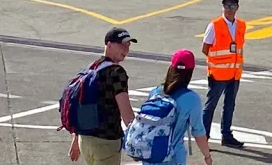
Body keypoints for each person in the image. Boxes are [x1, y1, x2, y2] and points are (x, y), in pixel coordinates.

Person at [68, 28, 138, 165]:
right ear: (109, 45)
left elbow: (83, 105)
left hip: (86, 140)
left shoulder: (92, 68)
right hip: (106, 141)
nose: (126, 49)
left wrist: (76, 140)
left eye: (128, 45)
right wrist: (136, 142)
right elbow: (127, 114)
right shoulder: (117, 72)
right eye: (122, 44)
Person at [140, 50, 214, 165]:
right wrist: (207, 156)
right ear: (190, 72)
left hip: (150, 156)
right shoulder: (192, 99)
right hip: (173, 157)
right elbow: (198, 132)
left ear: (171, 68)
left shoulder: (155, 92)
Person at [201, 0, 246, 148]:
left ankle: (226, 135)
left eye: (232, 6)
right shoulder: (214, 25)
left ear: (237, 7)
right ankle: (204, 136)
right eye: (226, 6)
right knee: (210, 105)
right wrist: (218, 63)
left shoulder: (241, 25)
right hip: (218, 74)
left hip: (234, 74)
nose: (229, 9)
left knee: (229, 105)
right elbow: (205, 48)